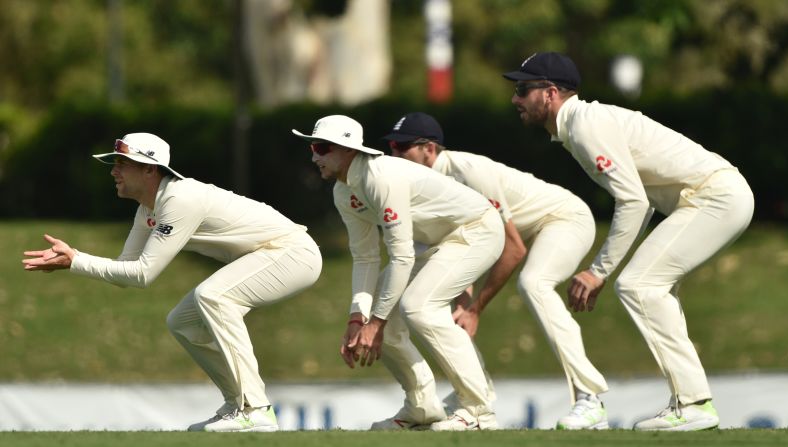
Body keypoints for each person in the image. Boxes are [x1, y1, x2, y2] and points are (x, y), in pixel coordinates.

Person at [504, 52, 755, 431]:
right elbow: (645, 201)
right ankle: (688, 401)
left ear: (550, 92)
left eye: (523, 89)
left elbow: (634, 202)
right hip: (713, 196)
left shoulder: (586, 125)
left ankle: (694, 405)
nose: (515, 99)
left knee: (640, 284)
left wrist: (597, 272)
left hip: (715, 196)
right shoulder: (580, 126)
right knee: (648, 286)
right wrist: (604, 268)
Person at [22, 132, 322, 432]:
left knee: (213, 297)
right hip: (270, 255)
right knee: (183, 322)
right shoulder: (147, 210)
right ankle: (237, 404)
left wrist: (75, 260)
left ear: (150, 169)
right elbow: (128, 270)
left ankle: (256, 408)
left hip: (293, 253)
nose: (114, 171)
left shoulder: (180, 198)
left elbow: (143, 274)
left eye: (123, 163)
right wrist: (74, 262)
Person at [383, 111, 610, 430]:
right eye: (391, 147)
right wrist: (462, 301)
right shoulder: (421, 187)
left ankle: (590, 398)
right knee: (433, 304)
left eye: (401, 147)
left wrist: (476, 308)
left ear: (429, 149)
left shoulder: (467, 170)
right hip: (508, 235)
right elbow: (457, 249)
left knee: (534, 284)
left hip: (564, 219)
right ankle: (474, 395)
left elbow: (512, 247)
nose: (394, 154)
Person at [293, 115, 505, 431]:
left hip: (478, 229)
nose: (314, 156)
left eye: (322, 148)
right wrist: (358, 318)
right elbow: (365, 257)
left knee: (419, 307)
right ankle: (422, 406)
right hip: (438, 242)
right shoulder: (343, 191)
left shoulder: (381, 178)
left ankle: (479, 412)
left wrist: (375, 322)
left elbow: (402, 256)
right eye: (313, 146)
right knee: (382, 316)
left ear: (349, 149)